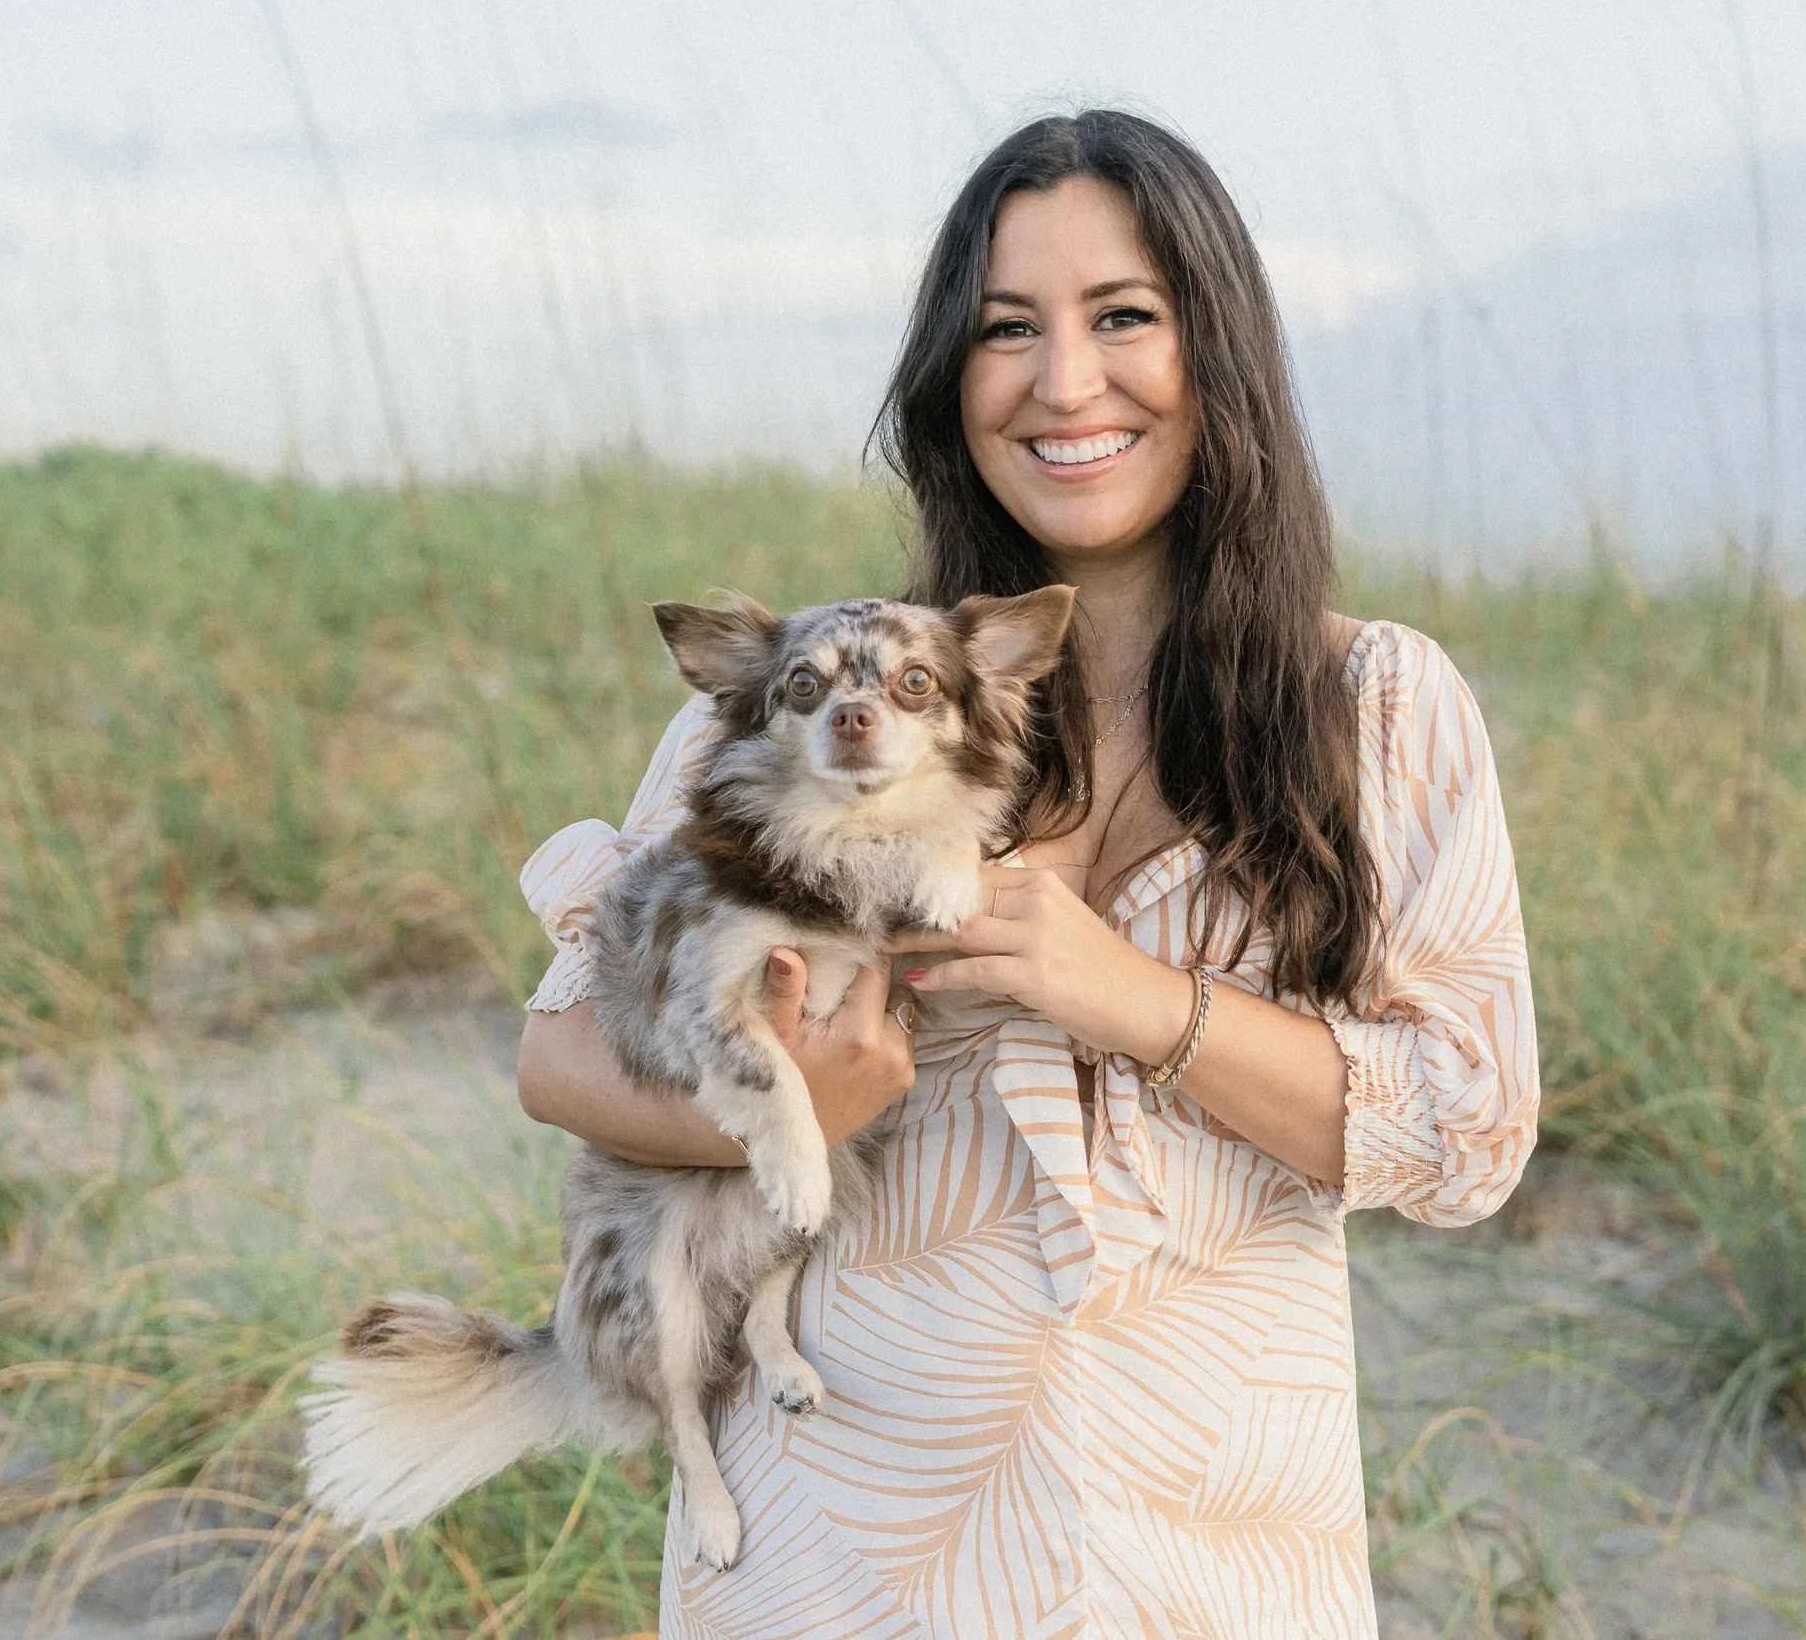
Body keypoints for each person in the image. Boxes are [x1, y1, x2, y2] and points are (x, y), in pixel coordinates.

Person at [515, 109, 1538, 1636]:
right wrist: (785, 1108)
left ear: (1220, 352)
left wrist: (1132, 997)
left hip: (1212, 1552)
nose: (1066, 382)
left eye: (1124, 316)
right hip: (844, 1548)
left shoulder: (1382, 707)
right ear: (951, 375)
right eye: (1008, 329)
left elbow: (1470, 1131)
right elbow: (557, 1053)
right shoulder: (811, 702)